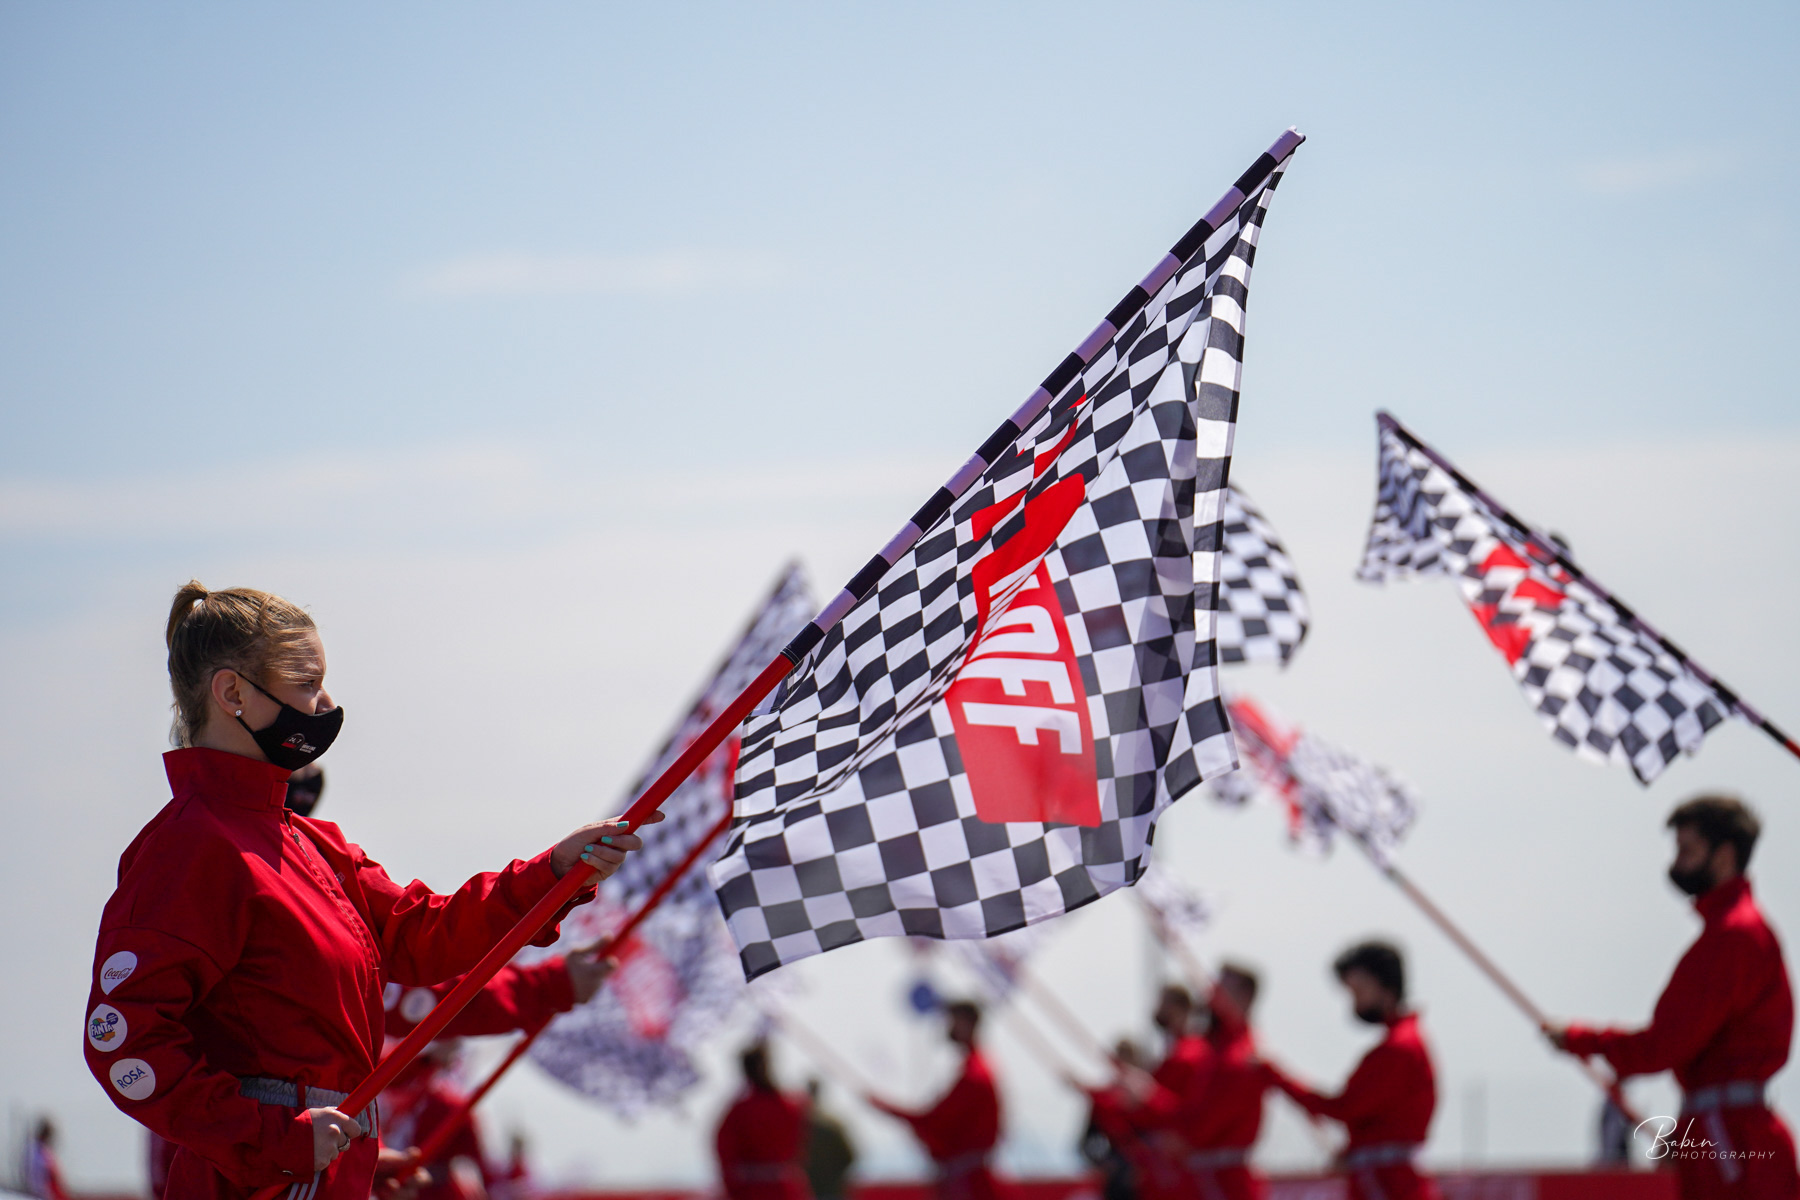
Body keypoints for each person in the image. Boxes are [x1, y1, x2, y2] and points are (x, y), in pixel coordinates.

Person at [84, 582, 655, 1200]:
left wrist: (552, 873)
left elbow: (423, 937)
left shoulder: (312, 844)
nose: (326, 703)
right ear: (233, 694)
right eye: (307, 682)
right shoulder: (191, 846)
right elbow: (124, 1038)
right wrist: (275, 1140)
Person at [1545, 795, 1800, 1199]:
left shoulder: (1732, 937)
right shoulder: (1736, 932)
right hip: (1726, 1134)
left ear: (1724, 856)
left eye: (1687, 850)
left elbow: (1664, 1045)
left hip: (1732, 1142)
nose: (1676, 863)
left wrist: (1582, 1039)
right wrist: (1687, 1135)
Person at [1264, 941, 1439, 1200]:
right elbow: (1375, 1118)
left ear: (1385, 987)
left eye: (1359, 990)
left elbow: (1344, 1108)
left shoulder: (1398, 1049)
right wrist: (1355, 1148)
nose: (1354, 1001)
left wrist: (1276, 1076)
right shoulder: (1404, 1044)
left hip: (1388, 1184)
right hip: (1386, 1179)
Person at [869, 1000, 1004, 1200]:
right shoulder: (975, 1070)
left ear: (967, 1023)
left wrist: (886, 1107)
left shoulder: (974, 1075)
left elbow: (934, 1120)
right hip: (966, 1179)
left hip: (969, 1185)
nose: (948, 1026)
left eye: (953, 1020)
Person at [1086, 985, 1205, 1199]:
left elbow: (1183, 1113)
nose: (1157, 1008)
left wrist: (1144, 1094)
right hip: (1155, 1171)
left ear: (1181, 1008)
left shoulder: (1189, 1054)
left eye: (1164, 1002)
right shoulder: (1176, 1052)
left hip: (1177, 1169)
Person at [1167, 964, 1270, 1200]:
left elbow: (1200, 1128)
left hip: (1225, 1184)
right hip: (1206, 1179)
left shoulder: (1241, 1057)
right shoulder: (1212, 1051)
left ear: (1244, 997)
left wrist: (1153, 1105)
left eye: (1221, 988)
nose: (1211, 994)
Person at [714, 1042, 811, 1200]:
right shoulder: (792, 1107)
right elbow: (801, 1150)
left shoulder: (739, 1111)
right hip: (787, 1190)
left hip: (750, 1191)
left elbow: (725, 1154)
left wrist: (732, 1187)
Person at [803, 1078, 857, 1200]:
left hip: (809, 1190)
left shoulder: (799, 1125)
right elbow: (849, 1156)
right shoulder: (832, 1124)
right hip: (831, 1189)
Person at [21, 1118, 70, 1200]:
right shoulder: (35, 1150)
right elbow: (38, 1174)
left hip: (48, 1190)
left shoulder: (43, 1150)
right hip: (42, 1192)